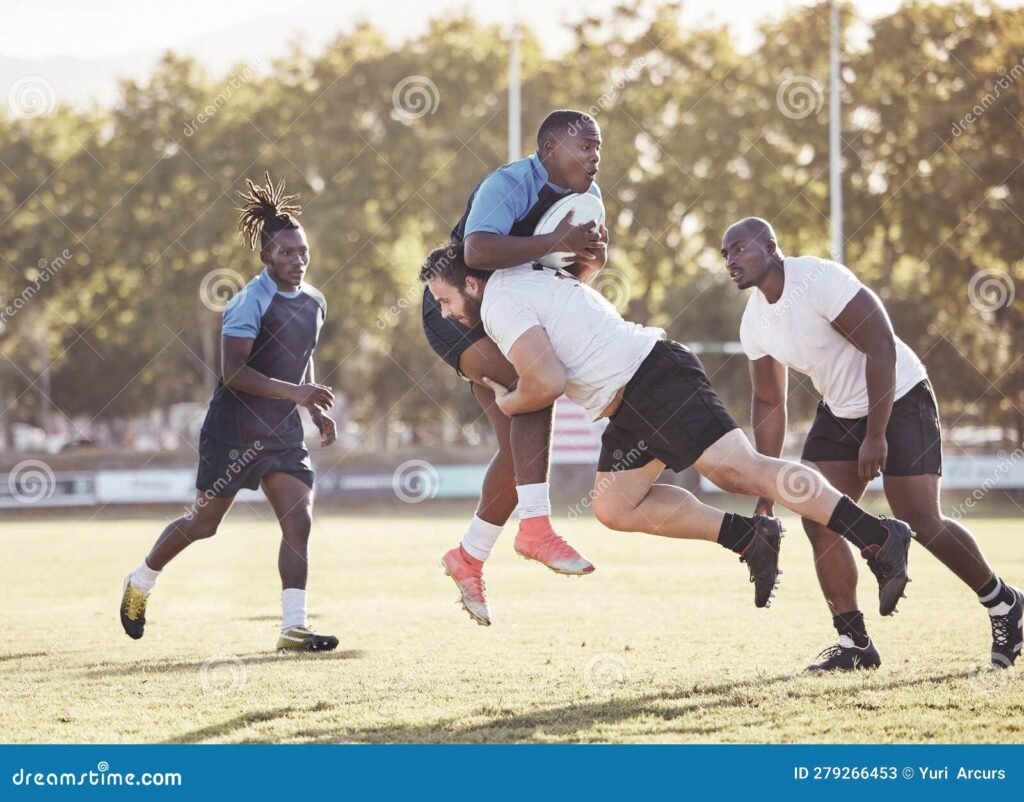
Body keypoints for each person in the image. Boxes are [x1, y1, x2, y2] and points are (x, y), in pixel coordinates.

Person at [420, 244, 915, 617]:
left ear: (472, 284)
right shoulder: (517, 280)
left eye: (444, 300)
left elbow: (544, 383)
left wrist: (508, 400)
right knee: (615, 506)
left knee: (739, 471)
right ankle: (750, 537)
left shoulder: (499, 302)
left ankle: (877, 534)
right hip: (627, 402)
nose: (444, 314)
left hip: (652, 377)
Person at [724, 216, 1023, 670]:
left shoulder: (818, 279)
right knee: (817, 516)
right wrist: (765, 490)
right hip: (840, 410)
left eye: (740, 248)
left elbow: (881, 345)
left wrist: (876, 434)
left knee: (919, 519)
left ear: (770, 247)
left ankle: (1004, 603)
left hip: (899, 395)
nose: (731, 260)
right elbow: (768, 401)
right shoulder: (754, 322)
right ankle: (855, 644)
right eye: (725, 254)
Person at [119, 173, 340, 652]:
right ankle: (140, 581)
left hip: (282, 433)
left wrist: (313, 409)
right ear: (266, 258)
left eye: (303, 251)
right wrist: (297, 393)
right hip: (233, 431)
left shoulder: (316, 302)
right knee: (203, 525)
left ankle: (294, 627)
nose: (298, 260)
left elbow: (301, 358)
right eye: (287, 252)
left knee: (299, 521)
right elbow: (234, 372)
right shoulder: (247, 302)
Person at [422, 110, 609, 627]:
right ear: (549, 150)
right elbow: (477, 249)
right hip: (459, 309)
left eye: (598, 147)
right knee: (535, 384)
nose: (595, 156)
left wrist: (592, 259)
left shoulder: (588, 199)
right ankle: (536, 528)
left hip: (505, 315)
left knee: (516, 450)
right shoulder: (509, 183)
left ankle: (469, 556)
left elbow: (574, 277)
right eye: (585, 146)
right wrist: (556, 244)